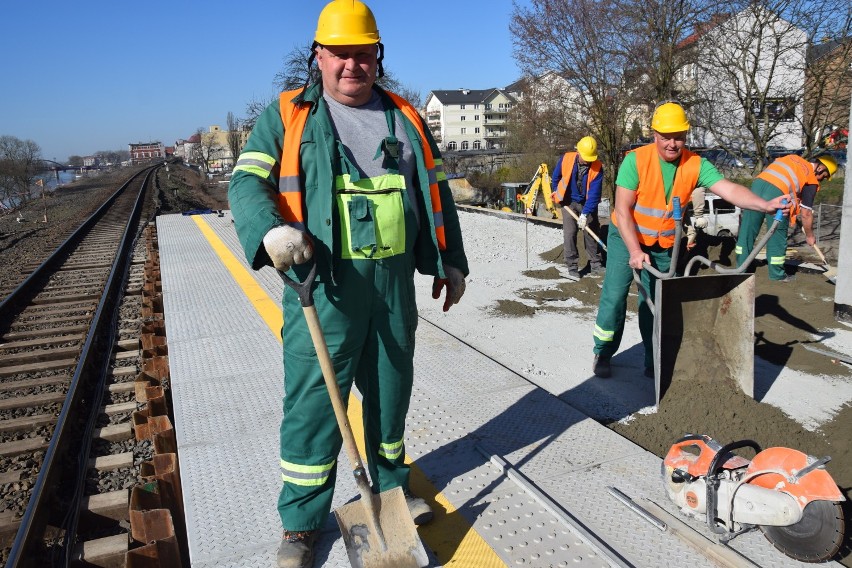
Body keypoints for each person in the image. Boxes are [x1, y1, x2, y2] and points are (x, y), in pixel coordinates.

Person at [227, 2, 469, 567]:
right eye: (340, 54)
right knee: (314, 405)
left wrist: (451, 261)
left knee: (390, 395)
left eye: (363, 54)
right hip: (323, 285)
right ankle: (301, 525)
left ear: (377, 56)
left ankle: (390, 490)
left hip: (391, 286)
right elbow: (245, 181)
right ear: (319, 56)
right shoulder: (289, 114)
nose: (351, 66)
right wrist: (269, 232)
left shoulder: (405, 117)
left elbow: (437, 194)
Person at [591, 102, 790, 379]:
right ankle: (603, 351)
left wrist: (764, 204)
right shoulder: (635, 161)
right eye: (666, 137)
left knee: (657, 304)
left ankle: (654, 361)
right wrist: (635, 250)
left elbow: (729, 189)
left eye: (679, 136)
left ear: (686, 135)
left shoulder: (696, 164)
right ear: (654, 134)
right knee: (615, 296)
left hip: (664, 244)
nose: (672, 143)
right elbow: (623, 211)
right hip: (627, 237)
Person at [735, 153, 837, 282]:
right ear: (821, 168)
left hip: (757, 185)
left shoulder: (794, 159)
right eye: (824, 176)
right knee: (776, 234)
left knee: (747, 230)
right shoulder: (811, 179)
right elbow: (806, 213)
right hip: (778, 193)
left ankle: (740, 270)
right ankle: (777, 275)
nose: (821, 179)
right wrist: (810, 235)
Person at [550, 136, 605, 278]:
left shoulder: (597, 167)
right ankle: (572, 268)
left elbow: (594, 195)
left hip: (587, 203)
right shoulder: (566, 159)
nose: (588, 161)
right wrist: (557, 192)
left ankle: (595, 265)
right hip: (568, 202)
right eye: (585, 157)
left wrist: (585, 214)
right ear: (578, 152)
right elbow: (556, 177)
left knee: (591, 231)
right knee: (570, 233)